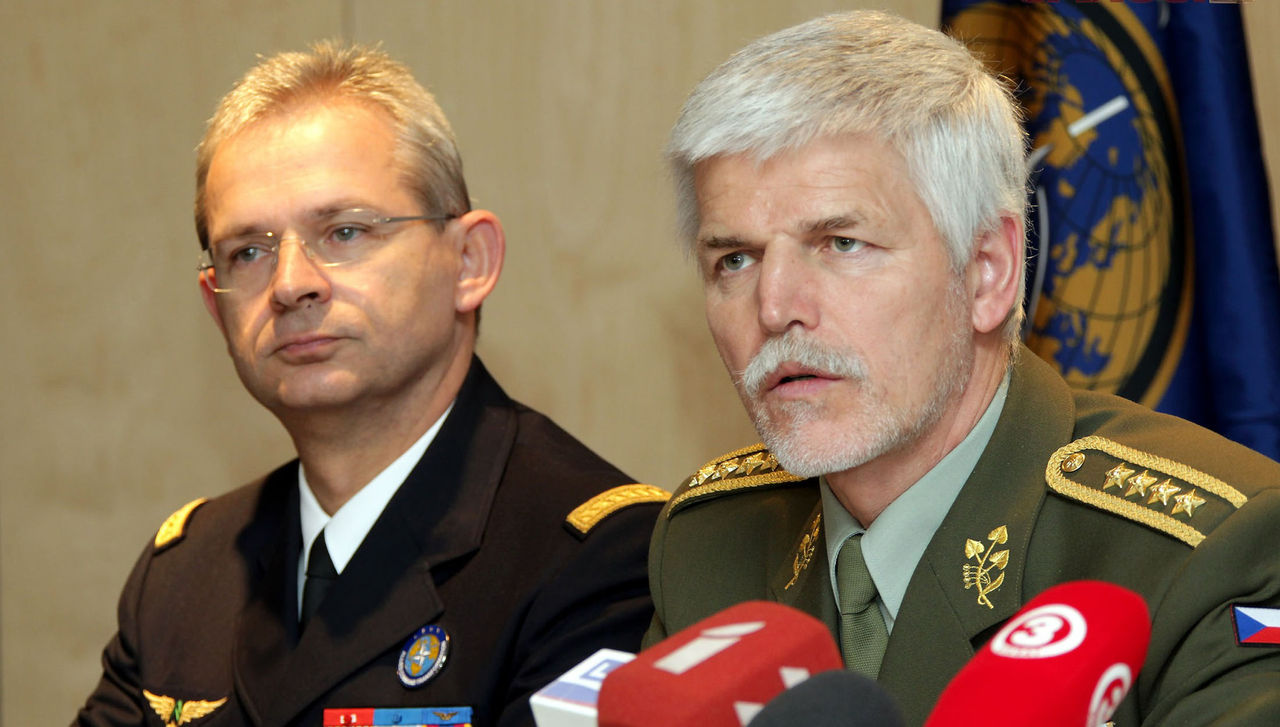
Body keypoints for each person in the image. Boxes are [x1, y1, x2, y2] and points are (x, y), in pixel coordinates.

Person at [645, 10, 1280, 726]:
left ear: (987, 272)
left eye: (841, 243)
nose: (774, 306)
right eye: (735, 258)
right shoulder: (705, 544)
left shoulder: (1208, 554)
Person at [75, 41, 667, 727]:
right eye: (250, 251)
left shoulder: (596, 558)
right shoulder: (183, 573)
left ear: (470, 262)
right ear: (217, 306)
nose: (292, 283)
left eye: (345, 231)